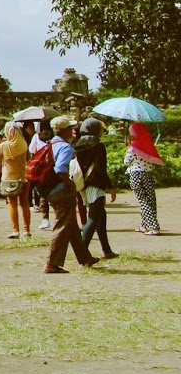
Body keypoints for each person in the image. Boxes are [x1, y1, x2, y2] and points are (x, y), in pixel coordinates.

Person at [44, 115, 99, 273]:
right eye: (70, 128)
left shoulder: (50, 144)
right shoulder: (65, 147)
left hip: (49, 189)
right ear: (64, 130)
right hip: (61, 189)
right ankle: (51, 263)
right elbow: (60, 169)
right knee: (62, 226)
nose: (73, 130)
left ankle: (85, 258)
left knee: (71, 224)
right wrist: (70, 184)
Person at [76, 119, 118, 259]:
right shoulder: (98, 146)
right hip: (96, 184)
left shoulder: (76, 144)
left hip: (83, 184)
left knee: (101, 216)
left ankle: (106, 249)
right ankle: (82, 253)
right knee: (93, 218)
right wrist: (110, 186)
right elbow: (100, 169)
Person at [0, 120, 32, 239]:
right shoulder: (23, 143)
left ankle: (15, 230)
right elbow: (28, 158)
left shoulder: (5, 146)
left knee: (12, 204)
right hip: (23, 177)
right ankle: (27, 230)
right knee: (25, 204)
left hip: (9, 178)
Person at [126, 122, 163, 235]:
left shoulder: (133, 148)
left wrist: (128, 147)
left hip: (136, 174)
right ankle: (144, 225)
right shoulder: (148, 146)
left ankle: (154, 226)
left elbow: (126, 161)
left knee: (143, 201)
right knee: (150, 200)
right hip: (148, 174)